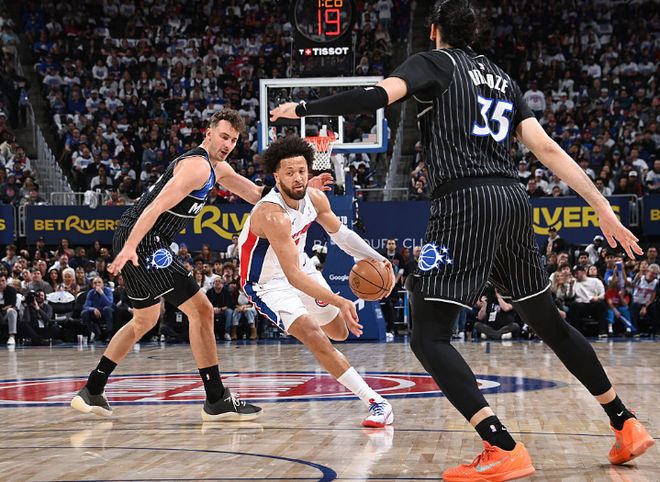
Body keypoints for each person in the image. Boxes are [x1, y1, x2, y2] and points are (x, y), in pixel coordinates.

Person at [270, 1, 654, 478]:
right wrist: (601, 205)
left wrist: (304, 109)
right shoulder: (502, 78)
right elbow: (546, 148)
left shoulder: (434, 62)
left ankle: (501, 447)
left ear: (434, 30)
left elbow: (376, 95)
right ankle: (625, 422)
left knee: (428, 336)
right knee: (549, 324)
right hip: (513, 200)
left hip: (465, 202)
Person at [71, 109, 332, 421]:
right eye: (223, 137)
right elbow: (155, 206)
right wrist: (130, 246)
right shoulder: (196, 167)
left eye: (233, 140)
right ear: (208, 134)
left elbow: (257, 195)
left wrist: (302, 187)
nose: (228, 144)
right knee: (202, 310)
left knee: (144, 320)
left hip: (142, 239)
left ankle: (92, 389)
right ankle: (216, 398)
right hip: (144, 240)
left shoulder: (218, 168)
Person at [238, 136, 396, 427]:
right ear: (276, 177)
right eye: (289, 173)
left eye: (301, 171)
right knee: (314, 334)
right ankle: (377, 402)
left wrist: (379, 259)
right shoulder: (272, 215)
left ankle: (321, 336)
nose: (297, 178)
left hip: (300, 266)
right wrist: (339, 299)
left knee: (339, 332)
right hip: (268, 283)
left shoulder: (315, 198)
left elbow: (343, 236)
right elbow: (292, 277)